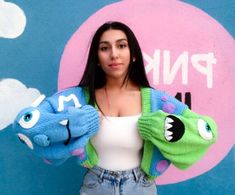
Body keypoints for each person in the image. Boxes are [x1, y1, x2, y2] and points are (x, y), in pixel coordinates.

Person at [13, 21, 217, 195]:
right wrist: (76, 122)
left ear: (133, 55)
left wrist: (161, 127)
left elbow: (204, 132)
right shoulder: (77, 99)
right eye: (104, 48)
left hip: (141, 187)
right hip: (95, 186)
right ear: (97, 59)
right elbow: (28, 125)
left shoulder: (157, 101)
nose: (114, 54)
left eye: (121, 46)